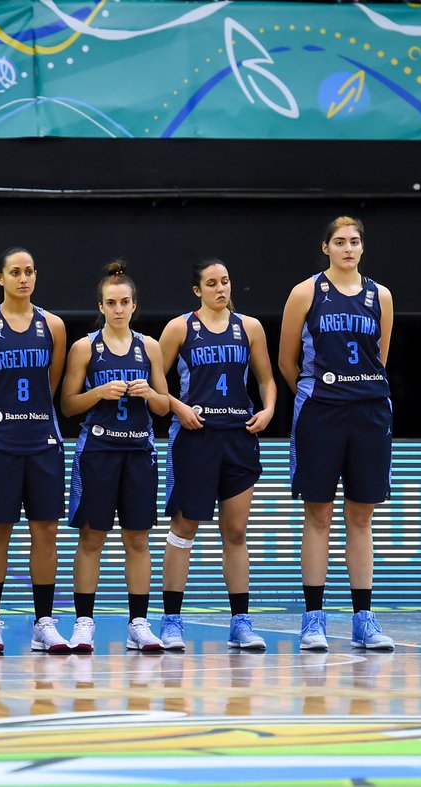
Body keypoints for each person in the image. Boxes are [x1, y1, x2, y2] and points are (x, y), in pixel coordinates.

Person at [279, 216, 395, 651]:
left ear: (362, 248)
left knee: (361, 516)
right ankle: (314, 620)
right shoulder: (306, 292)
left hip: (369, 411)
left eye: (355, 241)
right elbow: (287, 360)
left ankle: (364, 619)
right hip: (321, 412)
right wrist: (315, 394)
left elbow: (380, 355)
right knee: (319, 514)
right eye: (340, 241)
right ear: (325, 247)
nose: (348, 248)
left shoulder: (380, 295)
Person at [157, 259, 275, 651]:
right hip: (196, 438)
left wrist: (270, 408)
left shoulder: (250, 327)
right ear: (198, 291)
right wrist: (178, 406)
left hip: (239, 437)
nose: (221, 288)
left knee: (236, 532)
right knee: (184, 528)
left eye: (225, 281)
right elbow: (156, 383)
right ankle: (171, 622)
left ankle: (241, 623)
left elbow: (266, 379)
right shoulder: (179, 328)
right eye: (211, 283)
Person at [0, 247, 69, 654]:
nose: (24, 278)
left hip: (43, 442)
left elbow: (51, 385)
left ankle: (44, 623)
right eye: (15, 272)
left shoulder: (53, 325)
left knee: (47, 532)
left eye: (30, 271)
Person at [60, 262, 170, 653]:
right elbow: (68, 405)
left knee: (138, 540)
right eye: (111, 302)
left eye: (125, 302)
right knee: (92, 538)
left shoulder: (150, 346)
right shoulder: (85, 347)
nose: (119, 308)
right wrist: (98, 393)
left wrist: (149, 394)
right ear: (101, 306)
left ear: (135, 305)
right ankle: (84, 623)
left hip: (139, 449)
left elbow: (163, 407)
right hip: (99, 450)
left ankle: (138, 623)